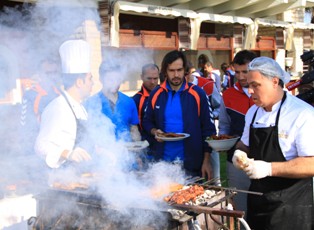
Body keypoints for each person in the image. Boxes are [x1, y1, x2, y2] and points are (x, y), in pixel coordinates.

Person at [232, 57, 314, 230]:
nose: (250, 91)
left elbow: (311, 163)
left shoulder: (302, 114)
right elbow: (244, 144)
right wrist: (239, 153)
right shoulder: (253, 113)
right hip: (258, 203)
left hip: (292, 207)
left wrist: (268, 169)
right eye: (248, 85)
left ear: (275, 81)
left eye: (256, 85)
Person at [142, 50, 216, 179]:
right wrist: (155, 131)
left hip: (192, 164)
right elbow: (147, 121)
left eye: (179, 70)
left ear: (185, 70)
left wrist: (206, 160)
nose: (176, 75)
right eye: (171, 70)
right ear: (165, 71)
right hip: (163, 164)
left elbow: (208, 129)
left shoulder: (198, 94)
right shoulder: (156, 93)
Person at [35, 40, 93, 169]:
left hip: (80, 174)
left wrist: (101, 151)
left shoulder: (79, 107)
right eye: (90, 79)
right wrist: (67, 153)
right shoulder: (58, 108)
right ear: (79, 82)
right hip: (62, 177)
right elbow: (40, 146)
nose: (92, 83)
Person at [218, 50, 256, 218]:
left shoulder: (266, 94)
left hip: (264, 159)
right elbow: (224, 126)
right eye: (237, 71)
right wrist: (221, 142)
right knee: (241, 209)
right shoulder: (227, 95)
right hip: (236, 160)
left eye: (245, 72)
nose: (240, 76)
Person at [85, 61, 141, 142]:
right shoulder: (90, 103)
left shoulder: (129, 102)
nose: (115, 83)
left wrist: (137, 144)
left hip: (127, 153)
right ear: (101, 79)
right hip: (101, 152)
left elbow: (134, 128)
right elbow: (87, 134)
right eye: (110, 80)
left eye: (118, 79)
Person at [19, 57, 62, 156]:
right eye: (48, 73)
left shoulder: (60, 93)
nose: (52, 76)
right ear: (40, 74)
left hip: (59, 147)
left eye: (54, 72)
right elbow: (24, 126)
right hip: (38, 149)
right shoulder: (30, 95)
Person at [187, 69, 222, 185]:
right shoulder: (177, 89)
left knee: (213, 175)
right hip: (191, 140)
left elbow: (220, 107)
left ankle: (215, 188)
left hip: (209, 132)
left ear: (188, 73)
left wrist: (210, 115)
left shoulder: (207, 85)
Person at [132, 63, 159, 137]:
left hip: (165, 142)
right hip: (146, 144)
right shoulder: (136, 100)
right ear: (142, 77)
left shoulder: (165, 95)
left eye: (155, 78)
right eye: (149, 78)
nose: (152, 82)